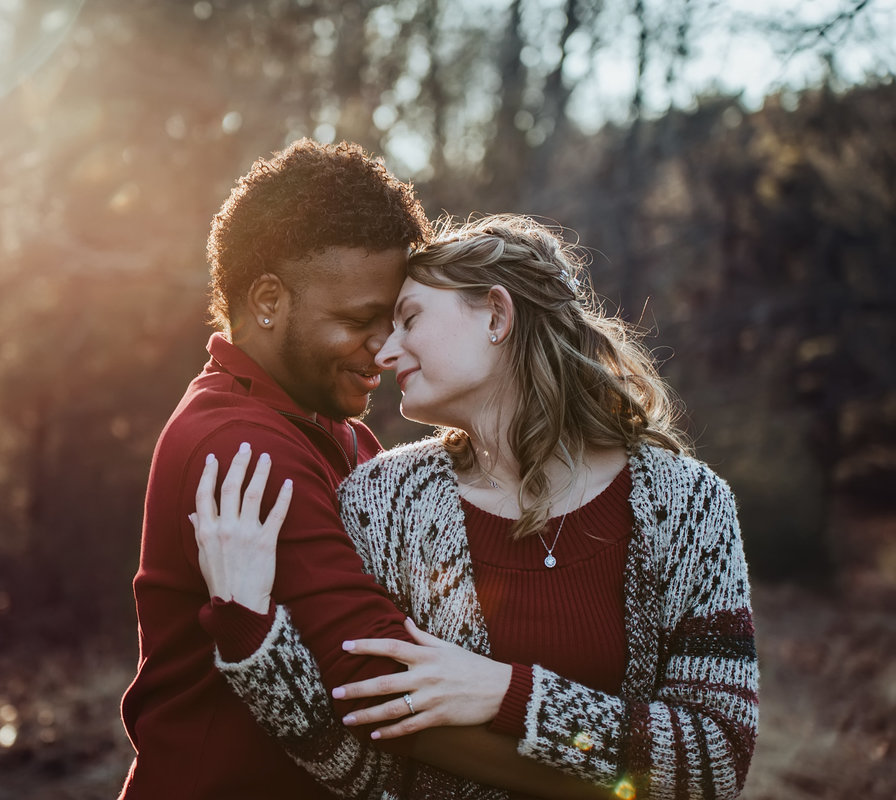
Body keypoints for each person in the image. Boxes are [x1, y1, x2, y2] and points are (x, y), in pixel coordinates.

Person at [192, 214, 759, 800]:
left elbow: (718, 761)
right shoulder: (383, 501)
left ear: (496, 314)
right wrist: (251, 634)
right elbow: (363, 764)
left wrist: (508, 693)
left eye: (408, 319)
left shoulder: (689, 503)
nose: (385, 353)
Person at [119, 137, 458, 799]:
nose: (386, 350)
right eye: (361, 321)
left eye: (392, 322)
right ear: (269, 300)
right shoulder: (241, 448)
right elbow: (379, 672)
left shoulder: (349, 440)